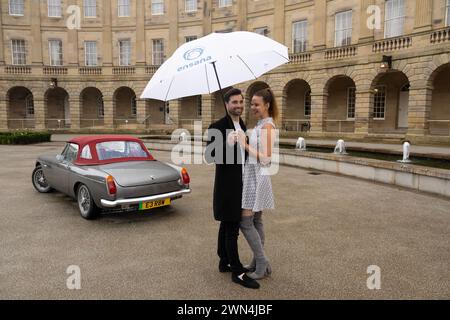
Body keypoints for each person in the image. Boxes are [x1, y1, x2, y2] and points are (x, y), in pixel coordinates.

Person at [205, 88, 260, 289]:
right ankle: (237, 271)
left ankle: (223, 261)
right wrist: (225, 143)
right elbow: (209, 157)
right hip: (227, 187)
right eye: (234, 102)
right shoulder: (217, 126)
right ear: (226, 104)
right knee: (232, 228)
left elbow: (244, 155)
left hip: (241, 183)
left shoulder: (241, 124)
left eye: (240, 102)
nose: (238, 105)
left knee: (226, 225)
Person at [237, 88, 278, 280]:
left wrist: (245, 145)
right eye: (251, 104)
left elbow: (266, 159)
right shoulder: (261, 124)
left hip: (257, 176)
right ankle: (257, 261)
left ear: (267, 105)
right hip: (253, 174)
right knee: (256, 220)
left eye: (256, 104)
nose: (252, 107)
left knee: (245, 222)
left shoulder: (267, 126)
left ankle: (261, 261)